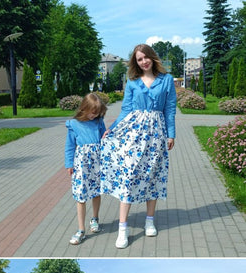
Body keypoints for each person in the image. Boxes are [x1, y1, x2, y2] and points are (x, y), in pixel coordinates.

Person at [101, 44, 177, 249]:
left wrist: (171, 134)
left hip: (157, 135)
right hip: (134, 134)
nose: (144, 61)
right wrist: (113, 128)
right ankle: (123, 229)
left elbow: (170, 109)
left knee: (153, 175)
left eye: (146, 57)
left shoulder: (166, 80)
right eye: (139, 59)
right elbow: (126, 109)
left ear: (153, 58)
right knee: (129, 176)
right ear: (136, 62)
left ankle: (149, 221)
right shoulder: (133, 82)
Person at [65, 93, 107, 245]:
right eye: (92, 112)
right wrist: (69, 164)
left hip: (97, 162)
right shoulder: (74, 124)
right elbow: (70, 146)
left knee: (96, 192)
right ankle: (81, 229)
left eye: (97, 112)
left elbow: (105, 139)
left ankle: (94, 218)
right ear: (84, 108)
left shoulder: (98, 122)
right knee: (80, 196)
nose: (93, 115)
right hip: (81, 165)